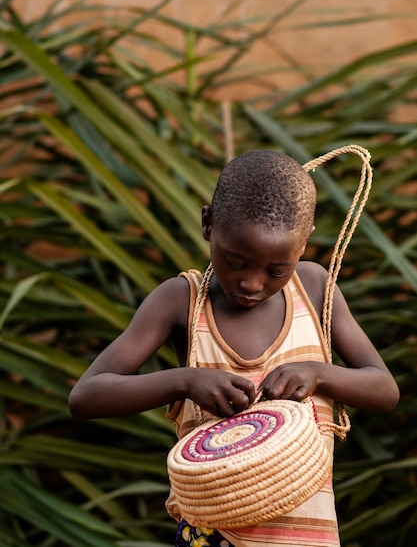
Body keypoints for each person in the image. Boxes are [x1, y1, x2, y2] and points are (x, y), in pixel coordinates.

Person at [69, 149, 399, 547]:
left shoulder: (314, 290)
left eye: (277, 269)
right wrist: (185, 381)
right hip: (214, 537)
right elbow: (86, 397)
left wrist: (318, 372)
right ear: (208, 224)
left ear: (304, 241)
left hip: (309, 536)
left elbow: (384, 390)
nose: (252, 283)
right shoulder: (181, 302)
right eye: (236, 262)